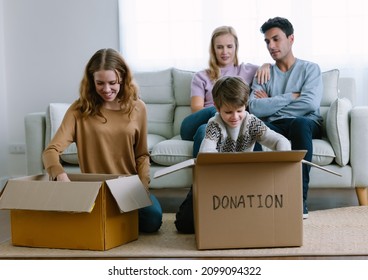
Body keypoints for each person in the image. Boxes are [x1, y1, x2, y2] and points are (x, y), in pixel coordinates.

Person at [42, 48, 162, 233]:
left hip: (127, 188)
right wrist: (60, 174)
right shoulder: (79, 110)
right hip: (95, 190)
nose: (106, 90)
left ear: (122, 78)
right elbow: (51, 151)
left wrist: (142, 189)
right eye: (100, 83)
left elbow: (142, 155)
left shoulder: (138, 107)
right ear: (92, 82)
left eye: (112, 83)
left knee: (153, 219)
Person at [175, 76, 291, 234]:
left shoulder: (252, 122)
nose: (235, 117)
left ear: (246, 106)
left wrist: (280, 164)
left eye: (239, 111)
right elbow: (206, 155)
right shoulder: (214, 124)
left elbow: (280, 141)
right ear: (217, 107)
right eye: (228, 112)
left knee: (255, 222)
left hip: (244, 181)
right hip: (215, 180)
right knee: (185, 224)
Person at [248, 17, 323, 219]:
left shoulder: (310, 69)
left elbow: (309, 104)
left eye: (276, 39)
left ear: (291, 39)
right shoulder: (264, 73)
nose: (271, 46)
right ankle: (258, 197)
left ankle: (299, 199)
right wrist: (290, 96)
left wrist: (271, 104)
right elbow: (254, 107)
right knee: (253, 125)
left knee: (299, 123)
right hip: (276, 125)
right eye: (267, 42)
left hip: (307, 122)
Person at [180, 25, 270, 158]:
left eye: (229, 46)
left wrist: (266, 65)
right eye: (219, 47)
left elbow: (274, 70)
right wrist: (222, 111)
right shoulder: (201, 76)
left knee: (204, 131)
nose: (224, 52)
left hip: (229, 124)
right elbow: (196, 108)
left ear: (236, 47)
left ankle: (250, 176)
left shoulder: (249, 71)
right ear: (213, 49)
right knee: (214, 112)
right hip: (199, 121)